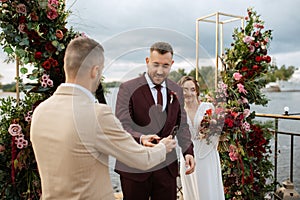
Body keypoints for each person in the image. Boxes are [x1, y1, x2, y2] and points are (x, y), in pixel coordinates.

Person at [30, 37, 177, 200]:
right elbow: (142, 159)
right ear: (95, 71)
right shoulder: (97, 114)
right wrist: (163, 147)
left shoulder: (40, 111)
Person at [115, 41, 195, 200]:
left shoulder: (177, 90)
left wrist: (188, 151)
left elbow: (182, 125)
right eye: (155, 64)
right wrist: (140, 138)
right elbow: (121, 126)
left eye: (165, 66)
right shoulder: (128, 88)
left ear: (171, 64)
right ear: (147, 61)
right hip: (135, 168)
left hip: (167, 169)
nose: (160, 71)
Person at [178, 76, 225, 200]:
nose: (189, 93)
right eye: (185, 89)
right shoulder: (178, 111)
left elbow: (218, 132)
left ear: (197, 91)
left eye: (192, 89)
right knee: (191, 191)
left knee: (208, 190)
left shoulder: (208, 107)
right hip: (187, 155)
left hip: (207, 154)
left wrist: (210, 133)